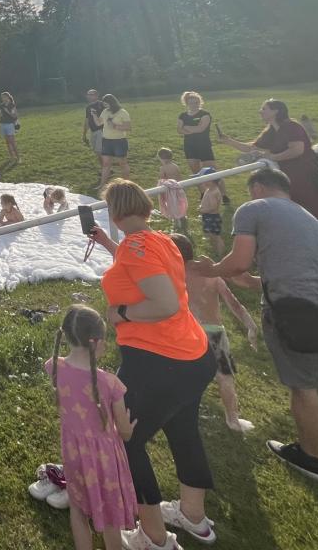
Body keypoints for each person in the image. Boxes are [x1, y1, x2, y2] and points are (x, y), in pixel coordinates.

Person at [194, 168, 318, 484]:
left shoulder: (254, 208)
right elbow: (295, 270)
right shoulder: (310, 219)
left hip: (293, 315)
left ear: (257, 188)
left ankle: (310, 458)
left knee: (303, 386)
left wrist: (212, 269)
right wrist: (256, 282)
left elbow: (239, 261)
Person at [89, 179, 218, 550]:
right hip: (193, 354)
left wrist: (120, 312)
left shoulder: (135, 248)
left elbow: (164, 303)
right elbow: (141, 266)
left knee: (123, 438)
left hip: (158, 360)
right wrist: (109, 245)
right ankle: (194, 515)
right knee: (184, 430)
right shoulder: (160, 240)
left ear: (115, 211)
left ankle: (153, 536)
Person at [44, 306, 138, 550]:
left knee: (77, 510)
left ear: (66, 335)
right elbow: (125, 432)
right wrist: (129, 426)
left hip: (73, 454)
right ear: (96, 343)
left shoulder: (53, 366)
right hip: (105, 461)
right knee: (110, 516)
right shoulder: (111, 384)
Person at [171, 233, 257, 433]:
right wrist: (250, 325)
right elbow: (234, 304)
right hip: (215, 333)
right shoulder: (211, 273)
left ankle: (183, 412)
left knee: (186, 375)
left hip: (189, 332)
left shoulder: (173, 275)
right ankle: (232, 419)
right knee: (225, 376)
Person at [219, 100, 318, 231]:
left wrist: (273, 157)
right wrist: (229, 141)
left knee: (311, 202)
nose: (260, 111)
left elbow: (297, 150)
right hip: (288, 173)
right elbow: (251, 148)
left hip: (305, 172)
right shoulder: (271, 130)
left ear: (276, 111)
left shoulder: (292, 126)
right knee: (293, 202)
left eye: (264, 109)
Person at [177, 92, 227, 204]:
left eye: (196, 102)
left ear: (200, 102)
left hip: (204, 145)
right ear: (186, 103)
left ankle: (224, 195)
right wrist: (192, 129)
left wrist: (186, 127)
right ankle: (203, 193)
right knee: (196, 172)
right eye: (191, 103)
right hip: (189, 146)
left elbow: (200, 129)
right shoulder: (182, 115)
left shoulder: (205, 114)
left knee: (213, 172)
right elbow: (179, 130)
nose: (194, 105)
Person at [98, 95, 132, 188]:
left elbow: (128, 127)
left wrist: (114, 126)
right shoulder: (105, 111)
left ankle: (127, 185)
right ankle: (102, 185)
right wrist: (93, 115)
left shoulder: (123, 112)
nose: (105, 106)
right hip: (106, 141)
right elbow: (99, 123)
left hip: (119, 141)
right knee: (106, 164)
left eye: (106, 104)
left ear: (112, 102)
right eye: (104, 104)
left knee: (122, 164)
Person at [197, 170, 225, 256]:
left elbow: (213, 207)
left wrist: (203, 210)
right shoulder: (209, 190)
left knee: (215, 236)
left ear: (213, 180)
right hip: (208, 216)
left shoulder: (213, 192)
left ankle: (220, 252)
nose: (204, 182)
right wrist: (201, 206)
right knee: (210, 235)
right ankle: (216, 249)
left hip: (212, 217)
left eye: (206, 180)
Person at [81, 89, 106, 165]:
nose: (89, 96)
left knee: (99, 151)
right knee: (96, 151)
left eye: (91, 94)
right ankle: (104, 167)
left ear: (96, 95)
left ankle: (106, 168)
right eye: (88, 95)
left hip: (101, 131)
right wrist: (84, 134)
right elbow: (87, 121)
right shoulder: (88, 107)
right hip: (93, 131)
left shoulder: (102, 104)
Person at [0, 91, 21, 162]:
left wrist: (7, 111)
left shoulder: (12, 105)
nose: (2, 98)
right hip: (2, 124)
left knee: (12, 142)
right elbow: (0, 116)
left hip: (10, 125)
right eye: (2, 97)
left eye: (4, 97)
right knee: (7, 142)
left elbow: (15, 116)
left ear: (8, 97)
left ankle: (18, 158)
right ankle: (12, 157)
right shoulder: (1, 105)